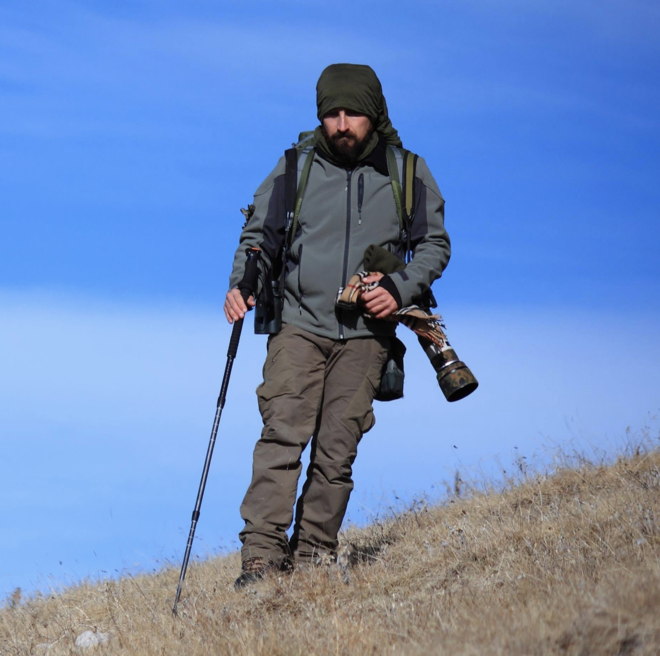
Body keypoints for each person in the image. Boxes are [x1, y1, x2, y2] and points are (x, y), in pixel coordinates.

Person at [225, 63, 451, 587]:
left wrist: (398, 288)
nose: (341, 124)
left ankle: (312, 561)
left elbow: (435, 246)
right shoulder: (293, 168)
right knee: (281, 436)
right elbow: (258, 238)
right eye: (331, 113)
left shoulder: (407, 172)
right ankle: (260, 560)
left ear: (374, 115)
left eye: (352, 113)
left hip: (367, 337)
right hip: (299, 326)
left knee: (336, 451)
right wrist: (244, 283)